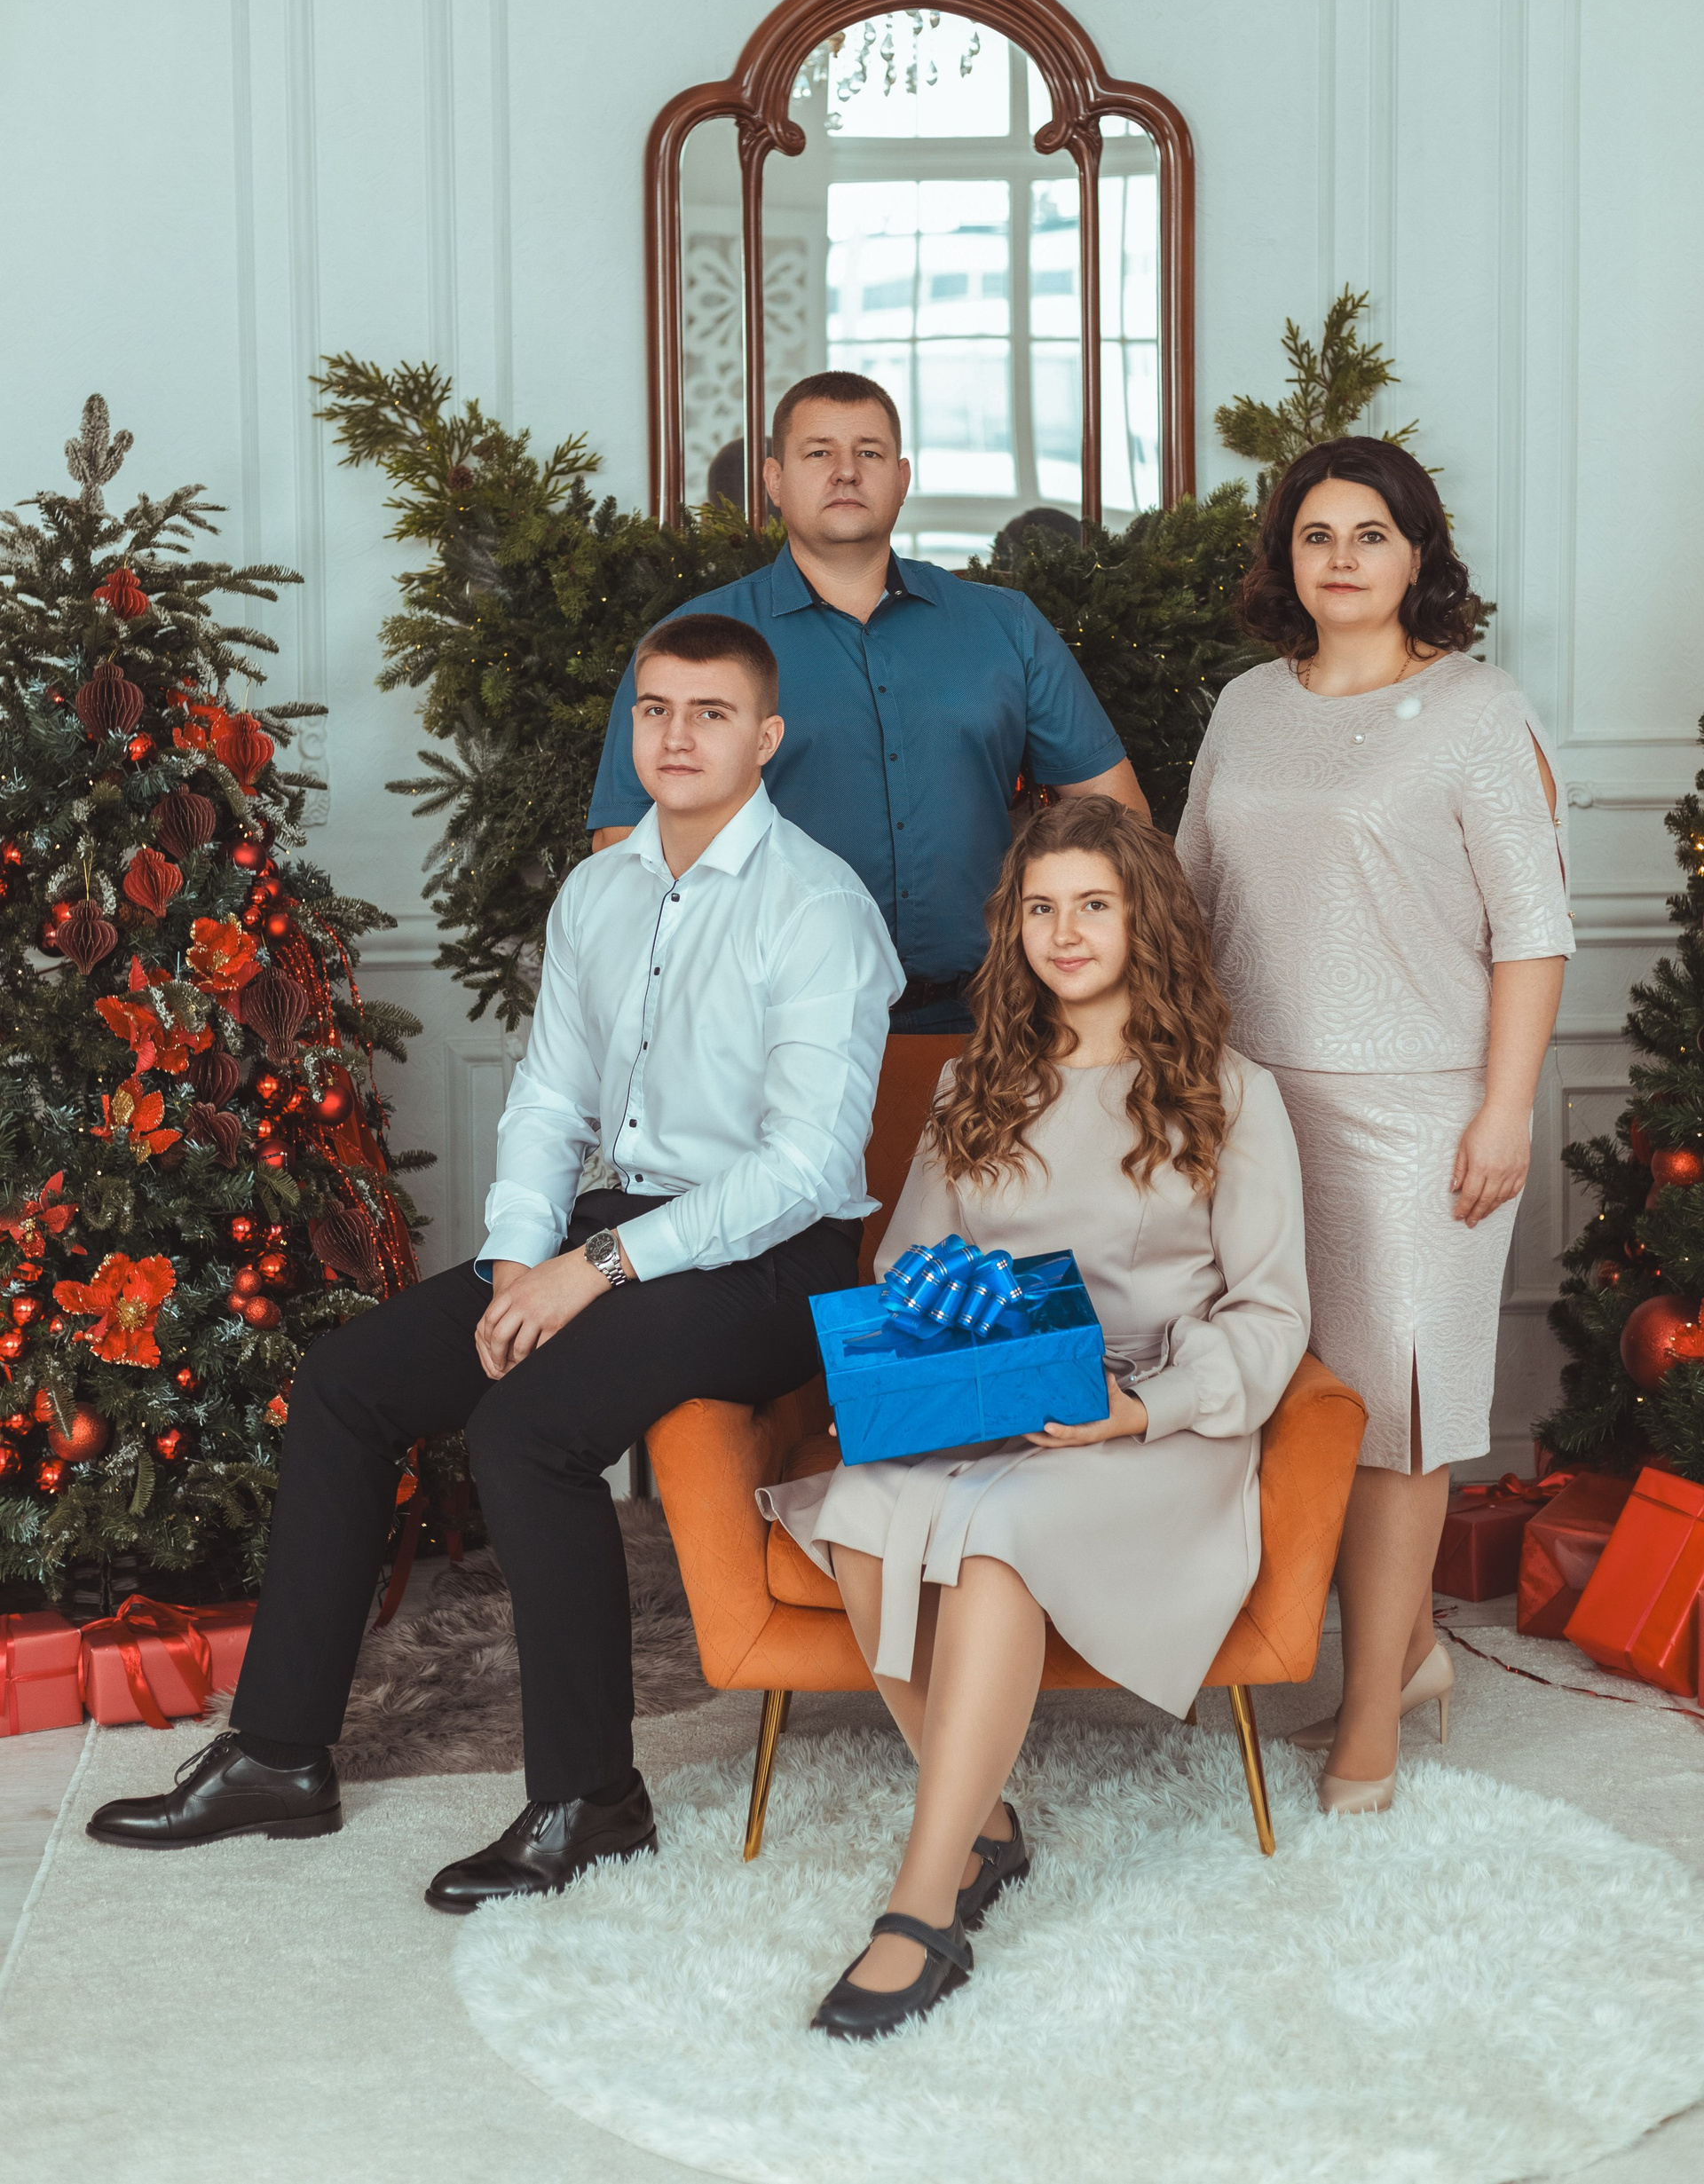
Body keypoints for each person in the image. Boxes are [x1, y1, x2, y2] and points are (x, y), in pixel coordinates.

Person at [88, 613, 903, 1907]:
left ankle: (592, 1801)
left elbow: (802, 1167)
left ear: (766, 738)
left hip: (775, 1263)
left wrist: (597, 1267)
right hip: (615, 1228)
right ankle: (279, 1754)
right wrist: (522, 1258)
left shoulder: (818, 906)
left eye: (709, 712)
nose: (676, 735)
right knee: (349, 1383)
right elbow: (550, 1100)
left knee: (525, 1431)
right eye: (655, 709)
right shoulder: (600, 891)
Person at [761, 795, 1309, 2038]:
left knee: (999, 1542)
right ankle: (988, 1826)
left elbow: (1274, 1317)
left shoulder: (1230, 1094)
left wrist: (1139, 1408)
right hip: (995, 1394)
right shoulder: (975, 1084)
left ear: (1144, 921)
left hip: (1155, 1425)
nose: (1065, 932)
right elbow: (907, 1266)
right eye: (1043, 907)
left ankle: (921, 1904)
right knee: (859, 1510)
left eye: (1094, 906)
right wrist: (922, 1374)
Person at [1174, 437, 1572, 1815]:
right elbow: (1189, 901)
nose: (1341, 559)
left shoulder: (1476, 710)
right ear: (1285, 558)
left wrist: (1507, 1109)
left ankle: (1369, 1722)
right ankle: (1403, 1655)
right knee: (1295, 1400)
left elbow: (1532, 929)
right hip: (1252, 1104)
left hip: (1419, 1119)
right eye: (1316, 535)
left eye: (1371, 535)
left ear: (1418, 558)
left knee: (1399, 1417)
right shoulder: (1244, 706)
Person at [588, 368, 1148, 1032]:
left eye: (870, 453)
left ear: (902, 479)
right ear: (774, 480)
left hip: (993, 1024)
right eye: (818, 452)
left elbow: (1121, 821)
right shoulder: (694, 641)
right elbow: (623, 849)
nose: (846, 472)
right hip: (766, 1026)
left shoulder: (1007, 626)